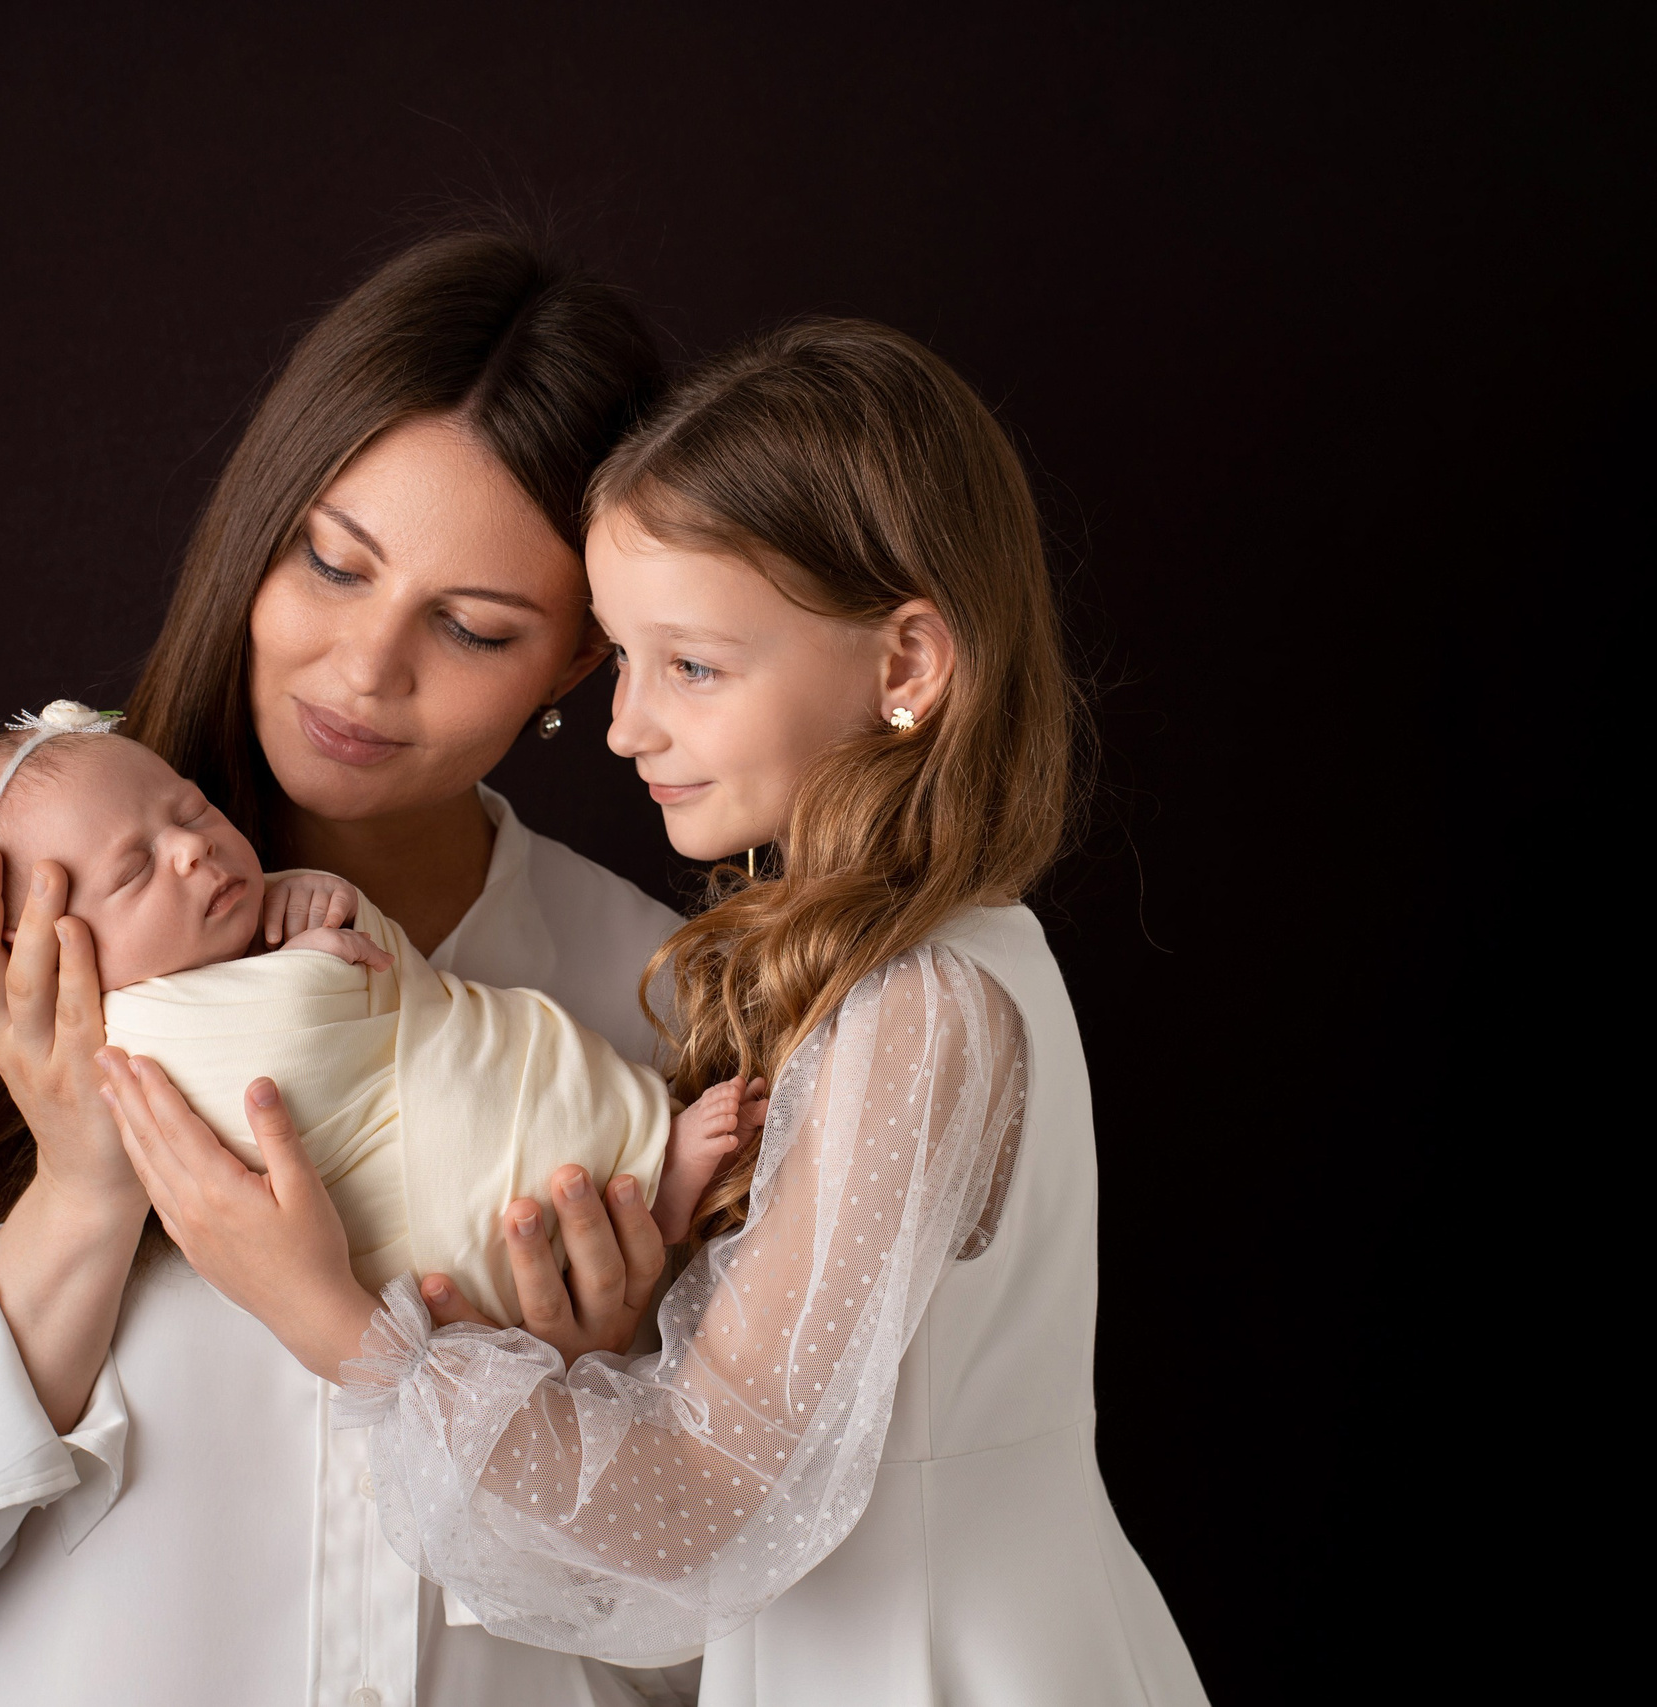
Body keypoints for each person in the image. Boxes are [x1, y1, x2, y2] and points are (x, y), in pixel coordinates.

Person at [99, 321, 1211, 1705]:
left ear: (906, 667)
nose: (626, 726)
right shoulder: (935, 965)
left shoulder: (921, 1003)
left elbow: (706, 1500)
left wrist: (328, 1318)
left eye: (692, 665)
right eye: (621, 657)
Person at [0, 229, 709, 1705]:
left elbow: (722, 1646)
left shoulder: (655, 994)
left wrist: (586, 1400)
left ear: (578, 662)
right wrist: (82, 1195)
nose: (364, 669)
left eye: (472, 628)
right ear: (258, 526)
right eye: (332, 562)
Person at [0, 706, 752, 1335]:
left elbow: (359, 958)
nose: (191, 848)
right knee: (499, 1142)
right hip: (430, 1226)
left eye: (192, 809)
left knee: (534, 1062)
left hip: (487, 1135)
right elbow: (292, 1056)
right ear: (41, 938)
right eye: (133, 871)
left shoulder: (651, 952)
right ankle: (649, 1168)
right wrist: (312, 959)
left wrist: (305, 901)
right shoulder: (130, 1029)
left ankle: (650, 1174)